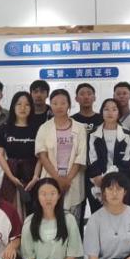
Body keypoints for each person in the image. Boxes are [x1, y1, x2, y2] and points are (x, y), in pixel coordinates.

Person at [35, 89, 87, 223]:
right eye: (55, 103)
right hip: (50, 177)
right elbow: (42, 155)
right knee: (50, 218)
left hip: (73, 179)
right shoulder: (44, 128)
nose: (59, 106)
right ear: (50, 105)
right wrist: (57, 178)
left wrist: (67, 179)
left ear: (69, 105)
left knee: (73, 221)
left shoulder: (80, 128)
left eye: (63, 103)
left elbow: (80, 156)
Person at [86, 98, 130, 212]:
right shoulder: (93, 134)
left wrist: (111, 179)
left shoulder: (127, 135)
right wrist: (98, 178)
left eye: (114, 109)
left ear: (119, 113)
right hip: (97, 183)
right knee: (99, 215)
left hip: (120, 183)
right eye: (106, 109)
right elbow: (91, 159)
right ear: (101, 112)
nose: (110, 112)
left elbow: (127, 161)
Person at [0, 91, 41, 216]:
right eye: (19, 104)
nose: (23, 108)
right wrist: (11, 177)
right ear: (13, 106)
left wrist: (35, 177)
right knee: (11, 210)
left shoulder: (38, 128)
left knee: (33, 209)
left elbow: (41, 156)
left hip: (31, 173)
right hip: (10, 172)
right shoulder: (4, 128)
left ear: (31, 107)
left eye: (27, 104)